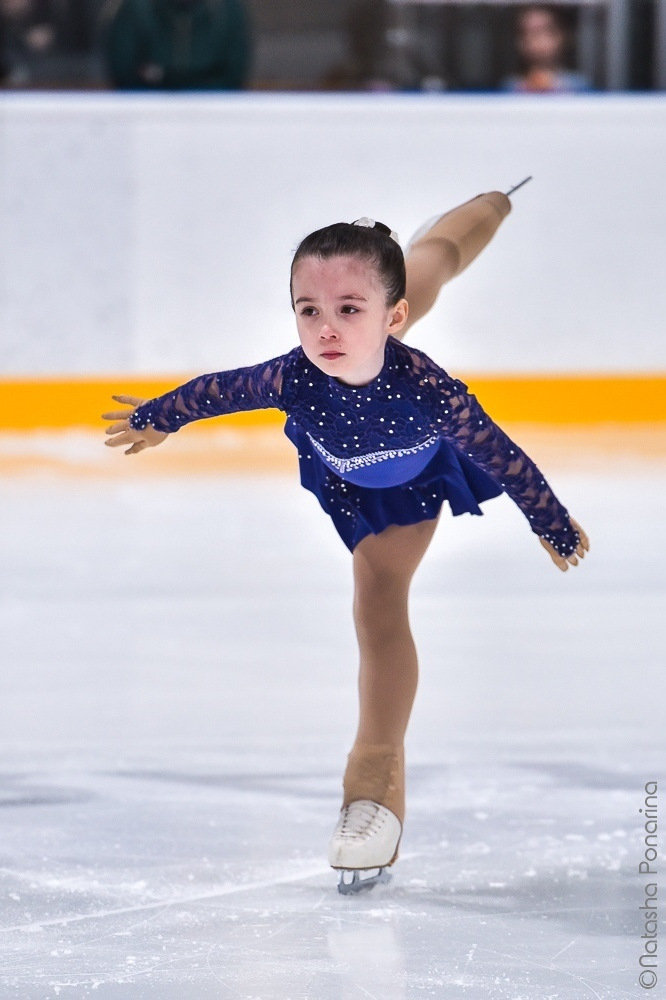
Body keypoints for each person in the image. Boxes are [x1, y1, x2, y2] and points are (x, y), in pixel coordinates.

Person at [102, 191, 589, 894]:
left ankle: (371, 788)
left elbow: (503, 456)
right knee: (407, 280)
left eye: (346, 310)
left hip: (405, 490)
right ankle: (415, 254)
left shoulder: (429, 390)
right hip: (345, 468)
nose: (324, 328)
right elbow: (215, 391)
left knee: (378, 603)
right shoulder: (295, 374)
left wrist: (549, 520)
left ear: (384, 321)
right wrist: (158, 417)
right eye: (308, 310)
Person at [101, 0, 251, 91]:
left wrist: (163, 76)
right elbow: (125, 73)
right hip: (147, 113)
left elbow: (232, 76)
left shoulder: (226, 10)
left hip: (211, 112)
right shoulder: (134, 8)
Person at [501, 4, 592, 94]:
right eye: (525, 33)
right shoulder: (510, 88)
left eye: (543, 31)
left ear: (561, 36)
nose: (534, 39)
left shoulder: (577, 86)